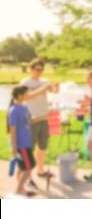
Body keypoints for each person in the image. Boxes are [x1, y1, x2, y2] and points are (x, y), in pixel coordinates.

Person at [20, 58, 58, 187]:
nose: (39, 72)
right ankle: (28, 177)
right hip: (32, 120)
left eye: (41, 70)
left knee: (42, 148)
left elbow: (53, 90)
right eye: (37, 69)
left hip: (44, 119)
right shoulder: (25, 82)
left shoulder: (45, 81)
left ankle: (41, 171)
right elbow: (26, 96)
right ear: (31, 69)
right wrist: (42, 89)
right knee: (29, 149)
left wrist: (56, 88)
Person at [8, 86, 37, 196]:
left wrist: (44, 117)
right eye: (26, 93)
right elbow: (12, 130)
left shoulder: (25, 107)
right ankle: (18, 192)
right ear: (20, 95)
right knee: (28, 168)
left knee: (23, 167)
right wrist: (14, 147)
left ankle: (22, 190)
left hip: (27, 142)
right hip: (21, 145)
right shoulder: (14, 110)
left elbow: (30, 119)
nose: (28, 95)